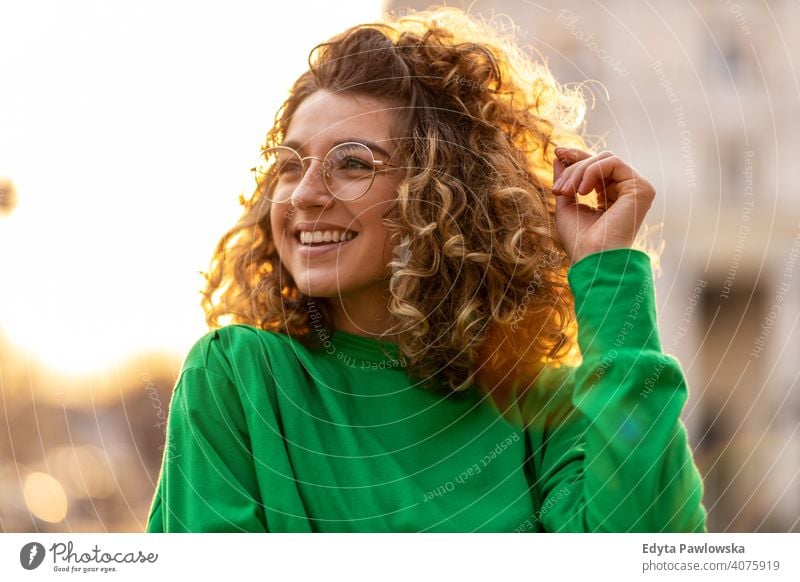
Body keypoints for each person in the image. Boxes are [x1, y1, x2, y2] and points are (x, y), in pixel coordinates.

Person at [146, 7, 707, 533]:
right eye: (290, 166)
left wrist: (606, 269)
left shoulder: (539, 413)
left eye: (351, 164)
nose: (304, 195)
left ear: (442, 193)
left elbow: (651, 547)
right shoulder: (237, 377)